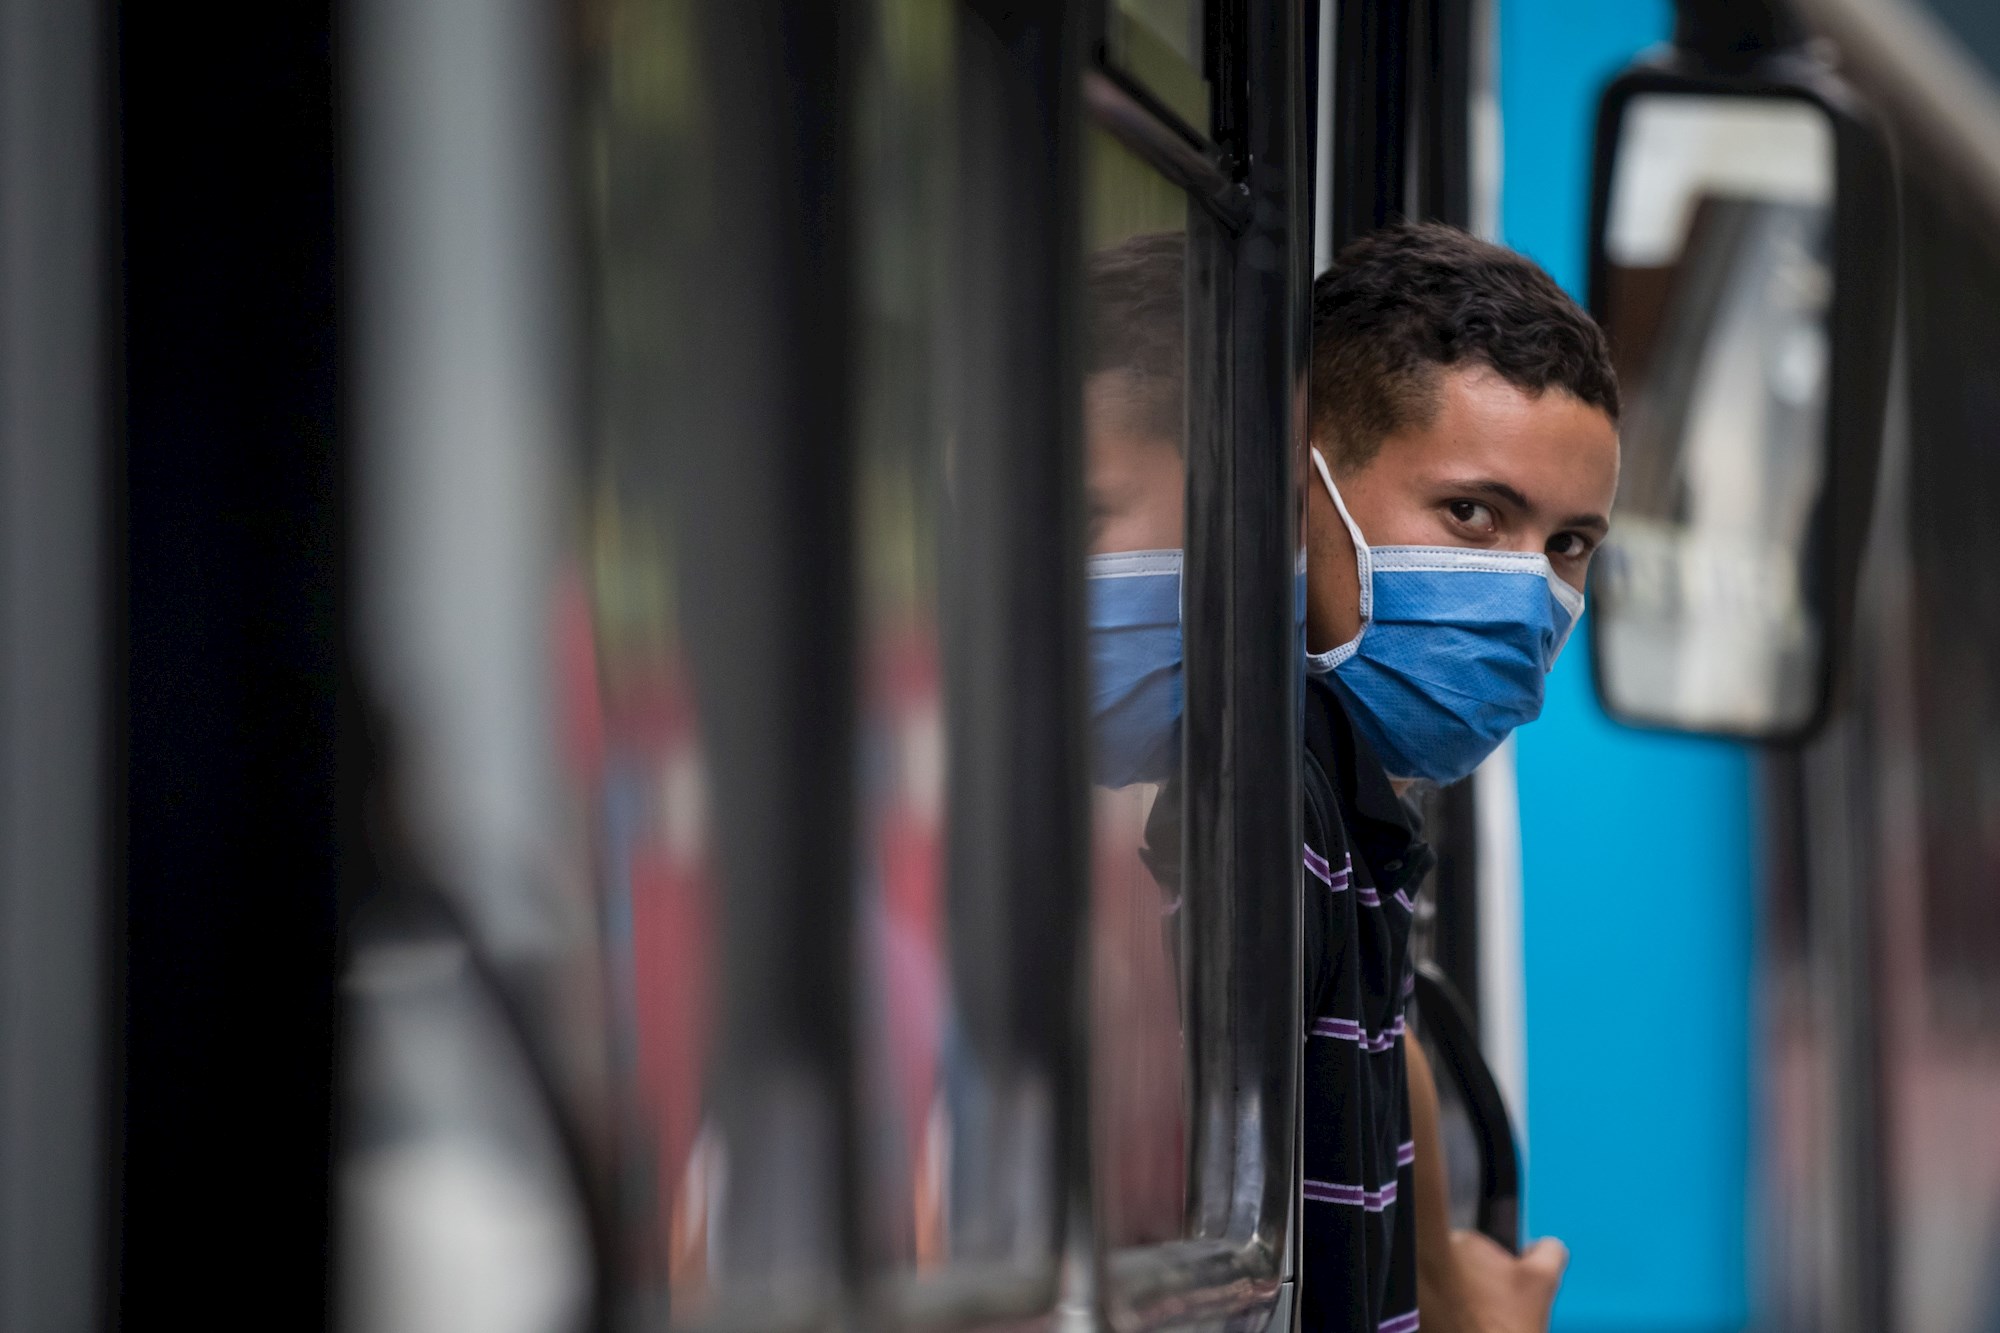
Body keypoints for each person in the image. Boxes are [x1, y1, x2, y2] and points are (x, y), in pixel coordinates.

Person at [1299, 221, 1620, 1333]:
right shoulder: (1258, 802)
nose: (1528, 595)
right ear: (1299, 481)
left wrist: (1437, 1275)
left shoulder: (1354, 827)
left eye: (1568, 545)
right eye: (1471, 515)